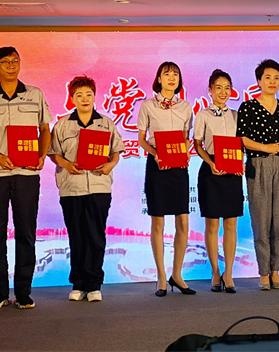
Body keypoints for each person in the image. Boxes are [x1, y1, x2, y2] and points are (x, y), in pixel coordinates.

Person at [0, 46, 52, 310]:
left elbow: (44, 129)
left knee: (26, 232)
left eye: (15, 60)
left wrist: (42, 155)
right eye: (5, 62)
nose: (11, 65)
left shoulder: (35, 94)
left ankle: (23, 292)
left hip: (26, 173)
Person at [48, 76, 125, 302]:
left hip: (99, 186)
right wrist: (66, 164)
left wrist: (111, 164)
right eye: (79, 95)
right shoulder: (63, 124)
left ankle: (93, 284)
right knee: (77, 236)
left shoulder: (106, 123)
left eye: (88, 94)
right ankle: (78, 284)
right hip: (71, 187)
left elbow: (116, 150)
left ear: (94, 96)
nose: (84, 99)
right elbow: (53, 153)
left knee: (95, 235)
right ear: (72, 98)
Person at [138, 62, 195, 296]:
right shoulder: (148, 105)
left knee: (183, 221)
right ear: (159, 79)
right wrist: (156, 154)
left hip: (179, 167)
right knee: (158, 222)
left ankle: (177, 274)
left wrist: (186, 152)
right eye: (167, 74)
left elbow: (185, 137)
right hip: (157, 166)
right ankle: (161, 276)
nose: (172, 78)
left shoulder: (186, 107)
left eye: (175, 74)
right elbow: (142, 139)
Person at [237, 59, 279, 290]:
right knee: (261, 220)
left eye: (276, 78)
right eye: (267, 77)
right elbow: (242, 138)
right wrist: (266, 147)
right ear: (259, 81)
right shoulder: (248, 107)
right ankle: (263, 272)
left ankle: (275, 270)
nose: (272, 82)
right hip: (257, 164)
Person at [194, 69, 244, 294]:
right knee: (212, 224)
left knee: (231, 224)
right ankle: (215, 271)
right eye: (218, 88)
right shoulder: (203, 115)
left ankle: (229, 273)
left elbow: (242, 143)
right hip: (211, 170)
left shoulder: (236, 115)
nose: (223, 92)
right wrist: (211, 162)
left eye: (227, 88)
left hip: (232, 170)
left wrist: (241, 161)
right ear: (210, 90)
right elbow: (197, 144)